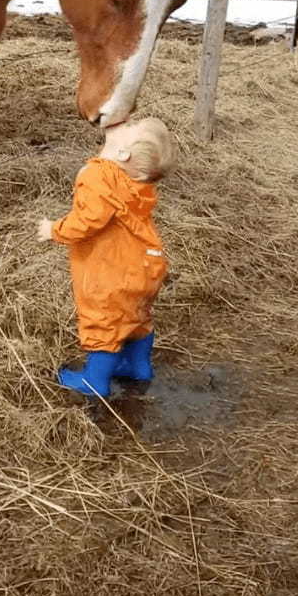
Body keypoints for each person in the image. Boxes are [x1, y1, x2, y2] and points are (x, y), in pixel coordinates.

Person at [37, 118, 176, 397]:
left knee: (104, 320)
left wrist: (54, 229)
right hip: (147, 263)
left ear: (123, 153)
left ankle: (94, 381)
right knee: (137, 315)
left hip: (112, 270)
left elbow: (87, 220)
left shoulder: (99, 176)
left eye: (130, 126)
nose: (124, 122)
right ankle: (138, 366)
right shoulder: (138, 184)